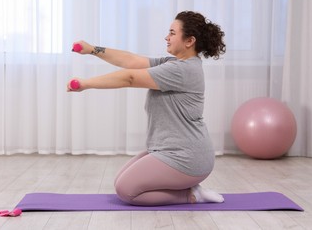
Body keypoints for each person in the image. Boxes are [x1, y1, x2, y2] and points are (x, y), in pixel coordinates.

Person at [68, 11, 226, 206]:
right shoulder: (175, 63)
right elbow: (130, 61)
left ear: (189, 41)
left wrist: (86, 83)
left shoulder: (182, 70)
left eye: (172, 33)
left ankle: (191, 195)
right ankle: (190, 189)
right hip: (170, 150)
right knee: (121, 181)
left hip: (188, 156)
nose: (166, 37)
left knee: (126, 190)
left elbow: (130, 77)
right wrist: (92, 49)